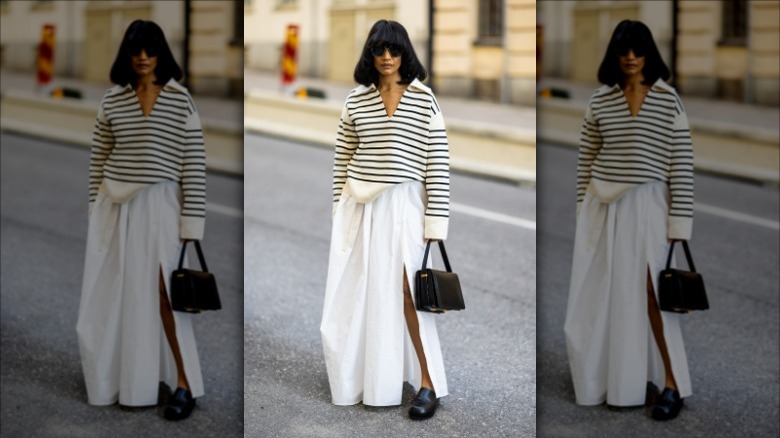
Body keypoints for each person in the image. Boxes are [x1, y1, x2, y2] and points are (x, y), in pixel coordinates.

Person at [563, 20, 695, 421]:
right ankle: (621, 379)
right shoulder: (600, 101)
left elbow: (682, 167)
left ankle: (673, 384)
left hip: (649, 207)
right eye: (624, 51)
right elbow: (586, 162)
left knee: (655, 295)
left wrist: (679, 226)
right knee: (605, 296)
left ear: (649, 54)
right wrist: (582, 211)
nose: (632, 58)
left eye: (638, 50)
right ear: (615, 55)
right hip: (602, 208)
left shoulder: (668, 100)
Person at [76, 20, 207, 421]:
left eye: (150, 50)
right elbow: (98, 163)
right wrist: (93, 215)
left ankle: (185, 384)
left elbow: (194, 166)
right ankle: (131, 378)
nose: (144, 58)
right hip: (114, 208)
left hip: (162, 207)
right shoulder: (112, 101)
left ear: (161, 54)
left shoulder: (180, 100)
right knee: (118, 295)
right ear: (127, 55)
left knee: (168, 296)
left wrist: (192, 225)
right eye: (136, 51)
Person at [320, 19, 451, 419]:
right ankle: (370, 377)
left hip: (406, 207)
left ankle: (429, 384)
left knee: (412, 293)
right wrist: (337, 214)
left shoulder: (424, 99)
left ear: (405, 53)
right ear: (370, 55)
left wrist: (435, 226)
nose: (387, 58)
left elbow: (438, 165)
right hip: (360, 207)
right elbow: (342, 161)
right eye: (379, 50)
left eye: (394, 50)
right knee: (362, 293)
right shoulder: (355, 101)